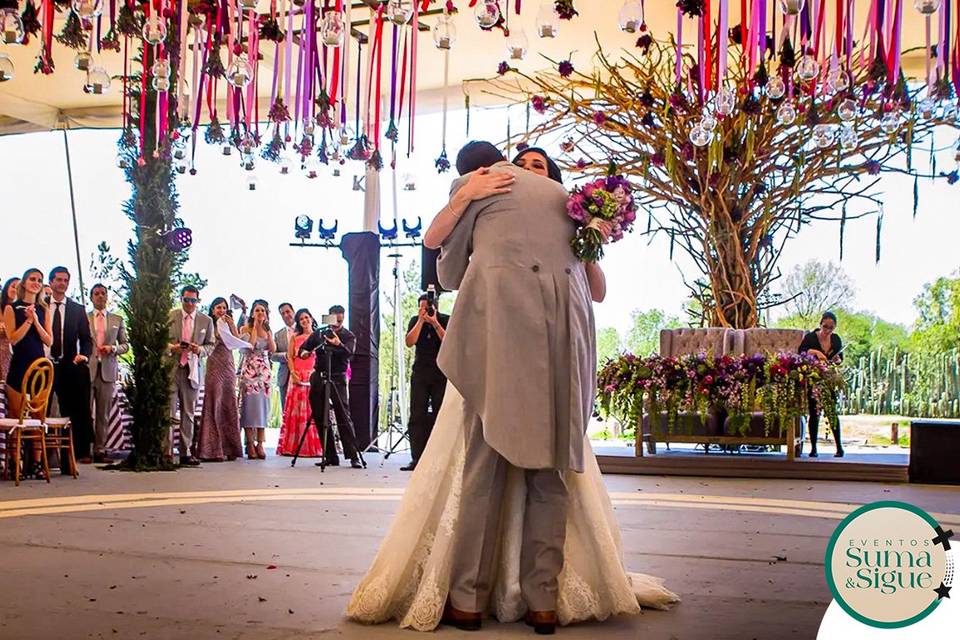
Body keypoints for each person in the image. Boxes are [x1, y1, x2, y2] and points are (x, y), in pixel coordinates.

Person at [348, 142, 676, 632]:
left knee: (488, 467)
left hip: (504, 337)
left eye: (536, 166)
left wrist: (589, 237)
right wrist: (467, 196)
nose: (522, 172)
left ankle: (468, 600)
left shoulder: (567, 210)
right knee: (547, 472)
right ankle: (540, 601)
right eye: (519, 164)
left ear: (553, 175)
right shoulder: (560, 202)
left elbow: (447, 267)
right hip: (557, 341)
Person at [2, 269, 54, 478]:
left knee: (38, 416)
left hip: (39, 366)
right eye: (33, 279)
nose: (36, 283)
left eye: (39, 280)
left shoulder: (44, 308)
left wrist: (37, 320)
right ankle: (16, 463)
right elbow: (13, 338)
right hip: (19, 365)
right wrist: (28, 321)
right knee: (17, 417)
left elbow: (49, 340)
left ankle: (37, 463)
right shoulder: (11, 308)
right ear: (24, 282)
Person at [300, 304, 363, 469]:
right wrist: (304, 353)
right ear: (330, 318)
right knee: (320, 415)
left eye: (341, 319)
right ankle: (329, 455)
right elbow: (303, 348)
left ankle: (353, 455)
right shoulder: (320, 333)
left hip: (337, 377)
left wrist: (338, 344)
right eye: (335, 319)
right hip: (319, 375)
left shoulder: (348, 336)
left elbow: (349, 354)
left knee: (343, 415)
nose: (337, 323)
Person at [47, 266, 95, 467]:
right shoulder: (42, 307)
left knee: (76, 409)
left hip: (69, 364)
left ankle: (78, 453)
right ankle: (43, 457)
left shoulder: (77, 310)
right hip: (45, 365)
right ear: (51, 282)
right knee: (44, 410)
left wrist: (83, 355)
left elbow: (86, 339)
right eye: (58, 279)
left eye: (66, 280)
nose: (62, 283)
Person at [399, 293, 449, 472]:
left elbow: (449, 341)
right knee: (417, 415)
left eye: (427, 307)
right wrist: (421, 321)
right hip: (420, 372)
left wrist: (434, 322)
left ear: (435, 307)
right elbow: (409, 342)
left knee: (440, 415)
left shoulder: (444, 319)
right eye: (421, 307)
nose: (424, 310)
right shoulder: (415, 320)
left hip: (440, 373)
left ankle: (441, 459)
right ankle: (416, 458)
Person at [168, 285, 216, 466]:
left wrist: (199, 349)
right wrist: (173, 348)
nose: (189, 304)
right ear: (181, 299)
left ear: (198, 301)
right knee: (169, 411)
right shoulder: (171, 316)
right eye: (186, 300)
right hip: (173, 367)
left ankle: (185, 451)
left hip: (193, 370)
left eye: (193, 300)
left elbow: (211, 345)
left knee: (188, 413)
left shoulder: (206, 320)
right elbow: (160, 341)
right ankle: (167, 450)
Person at [193, 297, 243, 462]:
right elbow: (209, 341)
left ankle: (230, 448)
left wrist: (232, 325)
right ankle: (211, 449)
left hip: (228, 364)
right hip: (214, 364)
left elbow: (238, 341)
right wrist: (218, 326)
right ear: (213, 310)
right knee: (214, 400)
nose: (221, 310)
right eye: (218, 308)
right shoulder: (209, 324)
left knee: (228, 402)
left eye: (224, 308)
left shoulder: (229, 323)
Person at [87, 284, 129, 463]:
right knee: (86, 411)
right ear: (91, 297)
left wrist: (112, 348)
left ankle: (101, 449)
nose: (100, 296)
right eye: (96, 294)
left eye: (103, 293)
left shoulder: (116, 319)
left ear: (107, 297)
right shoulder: (84, 317)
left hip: (108, 370)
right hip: (87, 369)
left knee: (103, 412)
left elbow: (126, 345)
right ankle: (84, 450)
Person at [276, 308, 323, 457]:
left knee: (313, 410)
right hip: (297, 377)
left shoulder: (319, 337)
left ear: (311, 318)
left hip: (314, 376)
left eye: (306, 317)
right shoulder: (295, 338)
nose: (304, 321)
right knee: (296, 413)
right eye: (301, 319)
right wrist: (293, 373)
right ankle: (294, 446)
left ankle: (315, 447)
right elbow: (290, 357)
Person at [799, 311, 844, 458]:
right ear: (820, 324)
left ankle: (839, 447)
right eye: (825, 327)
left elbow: (839, 358)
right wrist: (816, 352)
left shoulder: (836, 339)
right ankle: (813, 448)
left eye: (831, 328)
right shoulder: (811, 337)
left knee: (831, 411)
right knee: (814, 412)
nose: (827, 331)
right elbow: (801, 352)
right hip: (814, 376)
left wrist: (837, 359)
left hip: (829, 377)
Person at [239, 299, 276, 460]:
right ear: (253, 313)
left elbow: (273, 349)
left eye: (263, 310)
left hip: (263, 371)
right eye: (257, 310)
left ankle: (260, 443)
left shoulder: (268, 330)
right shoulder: (245, 328)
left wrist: (267, 332)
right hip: (249, 370)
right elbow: (251, 345)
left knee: (262, 409)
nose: (260, 313)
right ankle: (249, 443)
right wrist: (255, 326)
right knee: (249, 408)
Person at [273, 302, 297, 413]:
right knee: (286, 411)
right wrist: (286, 356)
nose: (286, 315)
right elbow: (272, 355)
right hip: (285, 377)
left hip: (303, 374)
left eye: (288, 312)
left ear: (293, 312)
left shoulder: (304, 329)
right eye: (282, 314)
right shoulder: (278, 334)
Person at [0, 276, 20, 384]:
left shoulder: (21, 310)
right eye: (13, 287)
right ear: (7, 287)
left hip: (16, 354)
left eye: (19, 288)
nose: (16, 290)